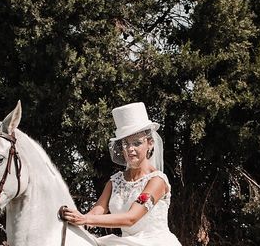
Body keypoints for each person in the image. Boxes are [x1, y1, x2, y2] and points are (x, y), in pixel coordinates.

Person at [61, 102, 181, 246]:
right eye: (126, 144)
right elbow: (94, 214)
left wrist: (85, 219)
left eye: (136, 143)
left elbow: (131, 218)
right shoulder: (114, 182)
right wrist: (72, 218)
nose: (130, 149)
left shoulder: (157, 181)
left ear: (150, 143)